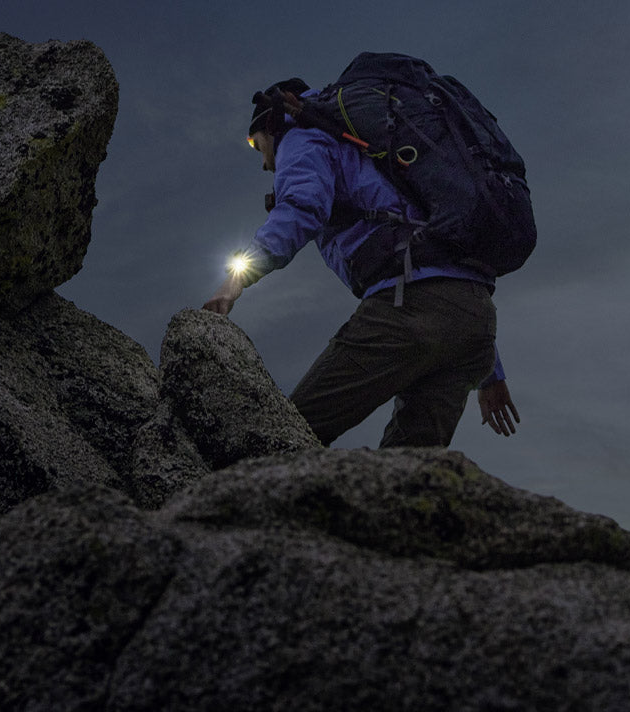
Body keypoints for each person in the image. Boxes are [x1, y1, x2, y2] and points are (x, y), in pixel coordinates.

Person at [204, 78, 520, 447]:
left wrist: (236, 280)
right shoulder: (374, 151)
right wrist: (490, 372)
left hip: (409, 311)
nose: (262, 162)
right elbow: (442, 258)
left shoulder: (302, 136)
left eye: (256, 144)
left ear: (272, 124)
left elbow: (302, 208)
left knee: (286, 437)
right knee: (409, 477)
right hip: (475, 325)